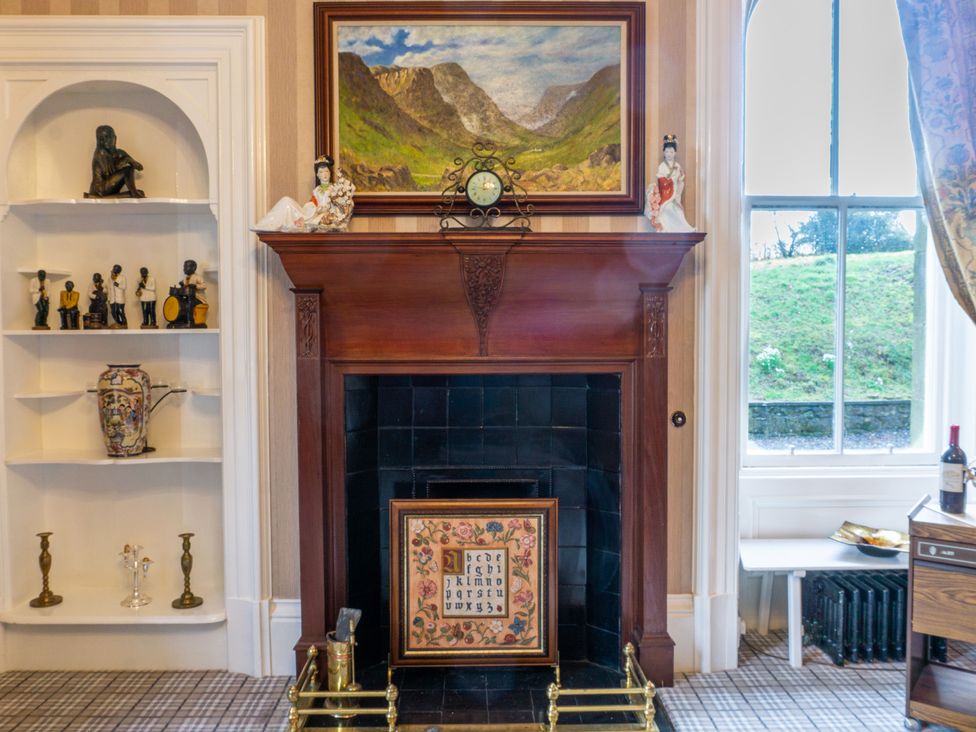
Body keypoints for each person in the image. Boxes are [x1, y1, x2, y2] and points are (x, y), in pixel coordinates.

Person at [251, 155, 355, 232]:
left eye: (326, 171)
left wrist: (322, 209)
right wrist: (308, 211)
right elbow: (312, 204)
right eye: (321, 172)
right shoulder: (317, 190)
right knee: (286, 201)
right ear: (317, 175)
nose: (324, 174)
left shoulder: (334, 189)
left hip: (321, 218)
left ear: (330, 173)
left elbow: (337, 207)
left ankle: (280, 224)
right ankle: (267, 224)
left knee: (293, 211)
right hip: (311, 213)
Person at [645, 134, 694, 233]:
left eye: (671, 151)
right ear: (664, 152)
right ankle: (665, 228)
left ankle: (684, 228)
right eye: (667, 151)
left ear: (675, 152)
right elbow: (661, 181)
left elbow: (680, 180)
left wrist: (680, 178)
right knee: (668, 209)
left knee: (679, 211)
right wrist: (671, 180)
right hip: (666, 195)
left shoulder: (677, 166)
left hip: (674, 196)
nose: (669, 154)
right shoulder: (662, 166)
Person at [86, 125, 145, 198]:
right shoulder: (99, 155)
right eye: (101, 138)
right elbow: (108, 174)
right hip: (99, 189)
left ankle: (110, 197)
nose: (104, 141)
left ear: (115, 138)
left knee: (141, 192)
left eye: (107, 137)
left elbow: (140, 167)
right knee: (128, 170)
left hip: (110, 189)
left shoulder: (120, 153)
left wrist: (129, 160)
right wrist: (119, 165)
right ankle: (133, 194)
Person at [168, 259, 208, 329]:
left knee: (190, 303)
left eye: (186, 267)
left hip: (198, 299)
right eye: (184, 267)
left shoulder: (197, 277)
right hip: (189, 297)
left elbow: (204, 286)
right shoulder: (185, 279)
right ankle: (180, 320)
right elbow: (186, 289)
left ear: (193, 268)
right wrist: (182, 286)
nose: (184, 269)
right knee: (180, 302)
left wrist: (196, 286)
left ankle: (190, 321)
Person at [108, 263, 127, 329]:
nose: (113, 270)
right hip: (112, 299)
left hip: (120, 298)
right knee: (113, 312)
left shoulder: (123, 277)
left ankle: (124, 324)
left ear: (119, 270)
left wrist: (117, 285)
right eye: (113, 268)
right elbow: (109, 289)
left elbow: (124, 287)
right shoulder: (110, 278)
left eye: (115, 269)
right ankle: (118, 324)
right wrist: (109, 298)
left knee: (121, 312)